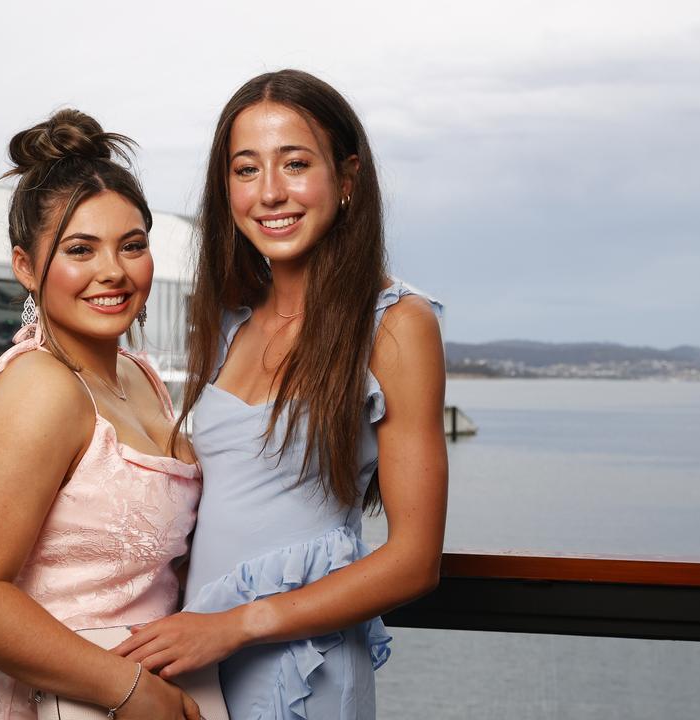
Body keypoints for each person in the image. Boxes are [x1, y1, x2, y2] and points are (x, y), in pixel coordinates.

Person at [113, 69, 449, 719]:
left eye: (295, 164)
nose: (270, 193)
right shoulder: (229, 321)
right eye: (246, 170)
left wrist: (236, 625)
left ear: (347, 179)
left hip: (301, 665)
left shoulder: (397, 325)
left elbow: (414, 561)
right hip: (194, 665)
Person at [0, 109, 202, 720]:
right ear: (26, 266)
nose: (114, 271)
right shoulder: (39, 387)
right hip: (51, 704)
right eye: (81, 249)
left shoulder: (139, 376)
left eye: (132, 246)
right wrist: (130, 689)